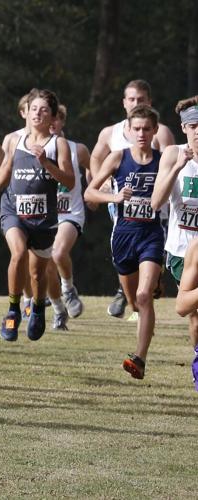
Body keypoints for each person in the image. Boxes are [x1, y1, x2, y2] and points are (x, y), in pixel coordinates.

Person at [84, 105, 164, 380]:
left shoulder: (163, 159)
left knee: (144, 296)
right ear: (128, 131)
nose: (141, 133)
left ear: (155, 131)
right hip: (123, 237)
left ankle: (139, 359)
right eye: (136, 128)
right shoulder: (118, 157)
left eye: (146, 129)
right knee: (134, 303)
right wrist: (114, 197)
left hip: (152, 235)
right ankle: (144, 319)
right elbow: (90, 193)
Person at [90, 79, 177, 318]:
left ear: (150, 101)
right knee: (126, 248)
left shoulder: (160, 132)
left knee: (148, 259)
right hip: (121, 205)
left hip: (156, 208)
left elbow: (170, 166)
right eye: (131, 99)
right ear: (124, 102)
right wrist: (106, 187)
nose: (136, 103)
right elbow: (96, 158)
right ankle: (129, 289)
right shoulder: (111, 132)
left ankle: (146, 282)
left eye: (141, 99)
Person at [0, 89, 74, 341]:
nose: (38, 114)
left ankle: (39, 308)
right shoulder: (14, 140)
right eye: (34, 109)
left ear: (53, 116)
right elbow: (4, 173)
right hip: (13, 210)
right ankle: (13, 310)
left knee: (38, 273)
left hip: (43, 219)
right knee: (18, 253)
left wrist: (46, 163)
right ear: (26, 113)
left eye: (44, 110)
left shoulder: (58, 144)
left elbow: (70, 181)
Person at [154, 96, 198, 388]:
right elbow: (156, 202)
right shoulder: (173, 154)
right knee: (195, 316)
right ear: (183, 128)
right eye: (193, 126)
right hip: (182, 251)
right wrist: (177, 167)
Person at [45, 104, 89, 329]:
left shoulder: (77, 149)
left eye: (57, 118)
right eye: (49, 118)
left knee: (58, 252)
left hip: (70, 212)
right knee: (46, 268)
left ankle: (68, 288)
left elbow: (93, 168)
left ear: (63, 121)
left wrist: (94, 189)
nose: (52, 122)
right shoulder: (33, 148)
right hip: (44, 215)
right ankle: (58, 309)